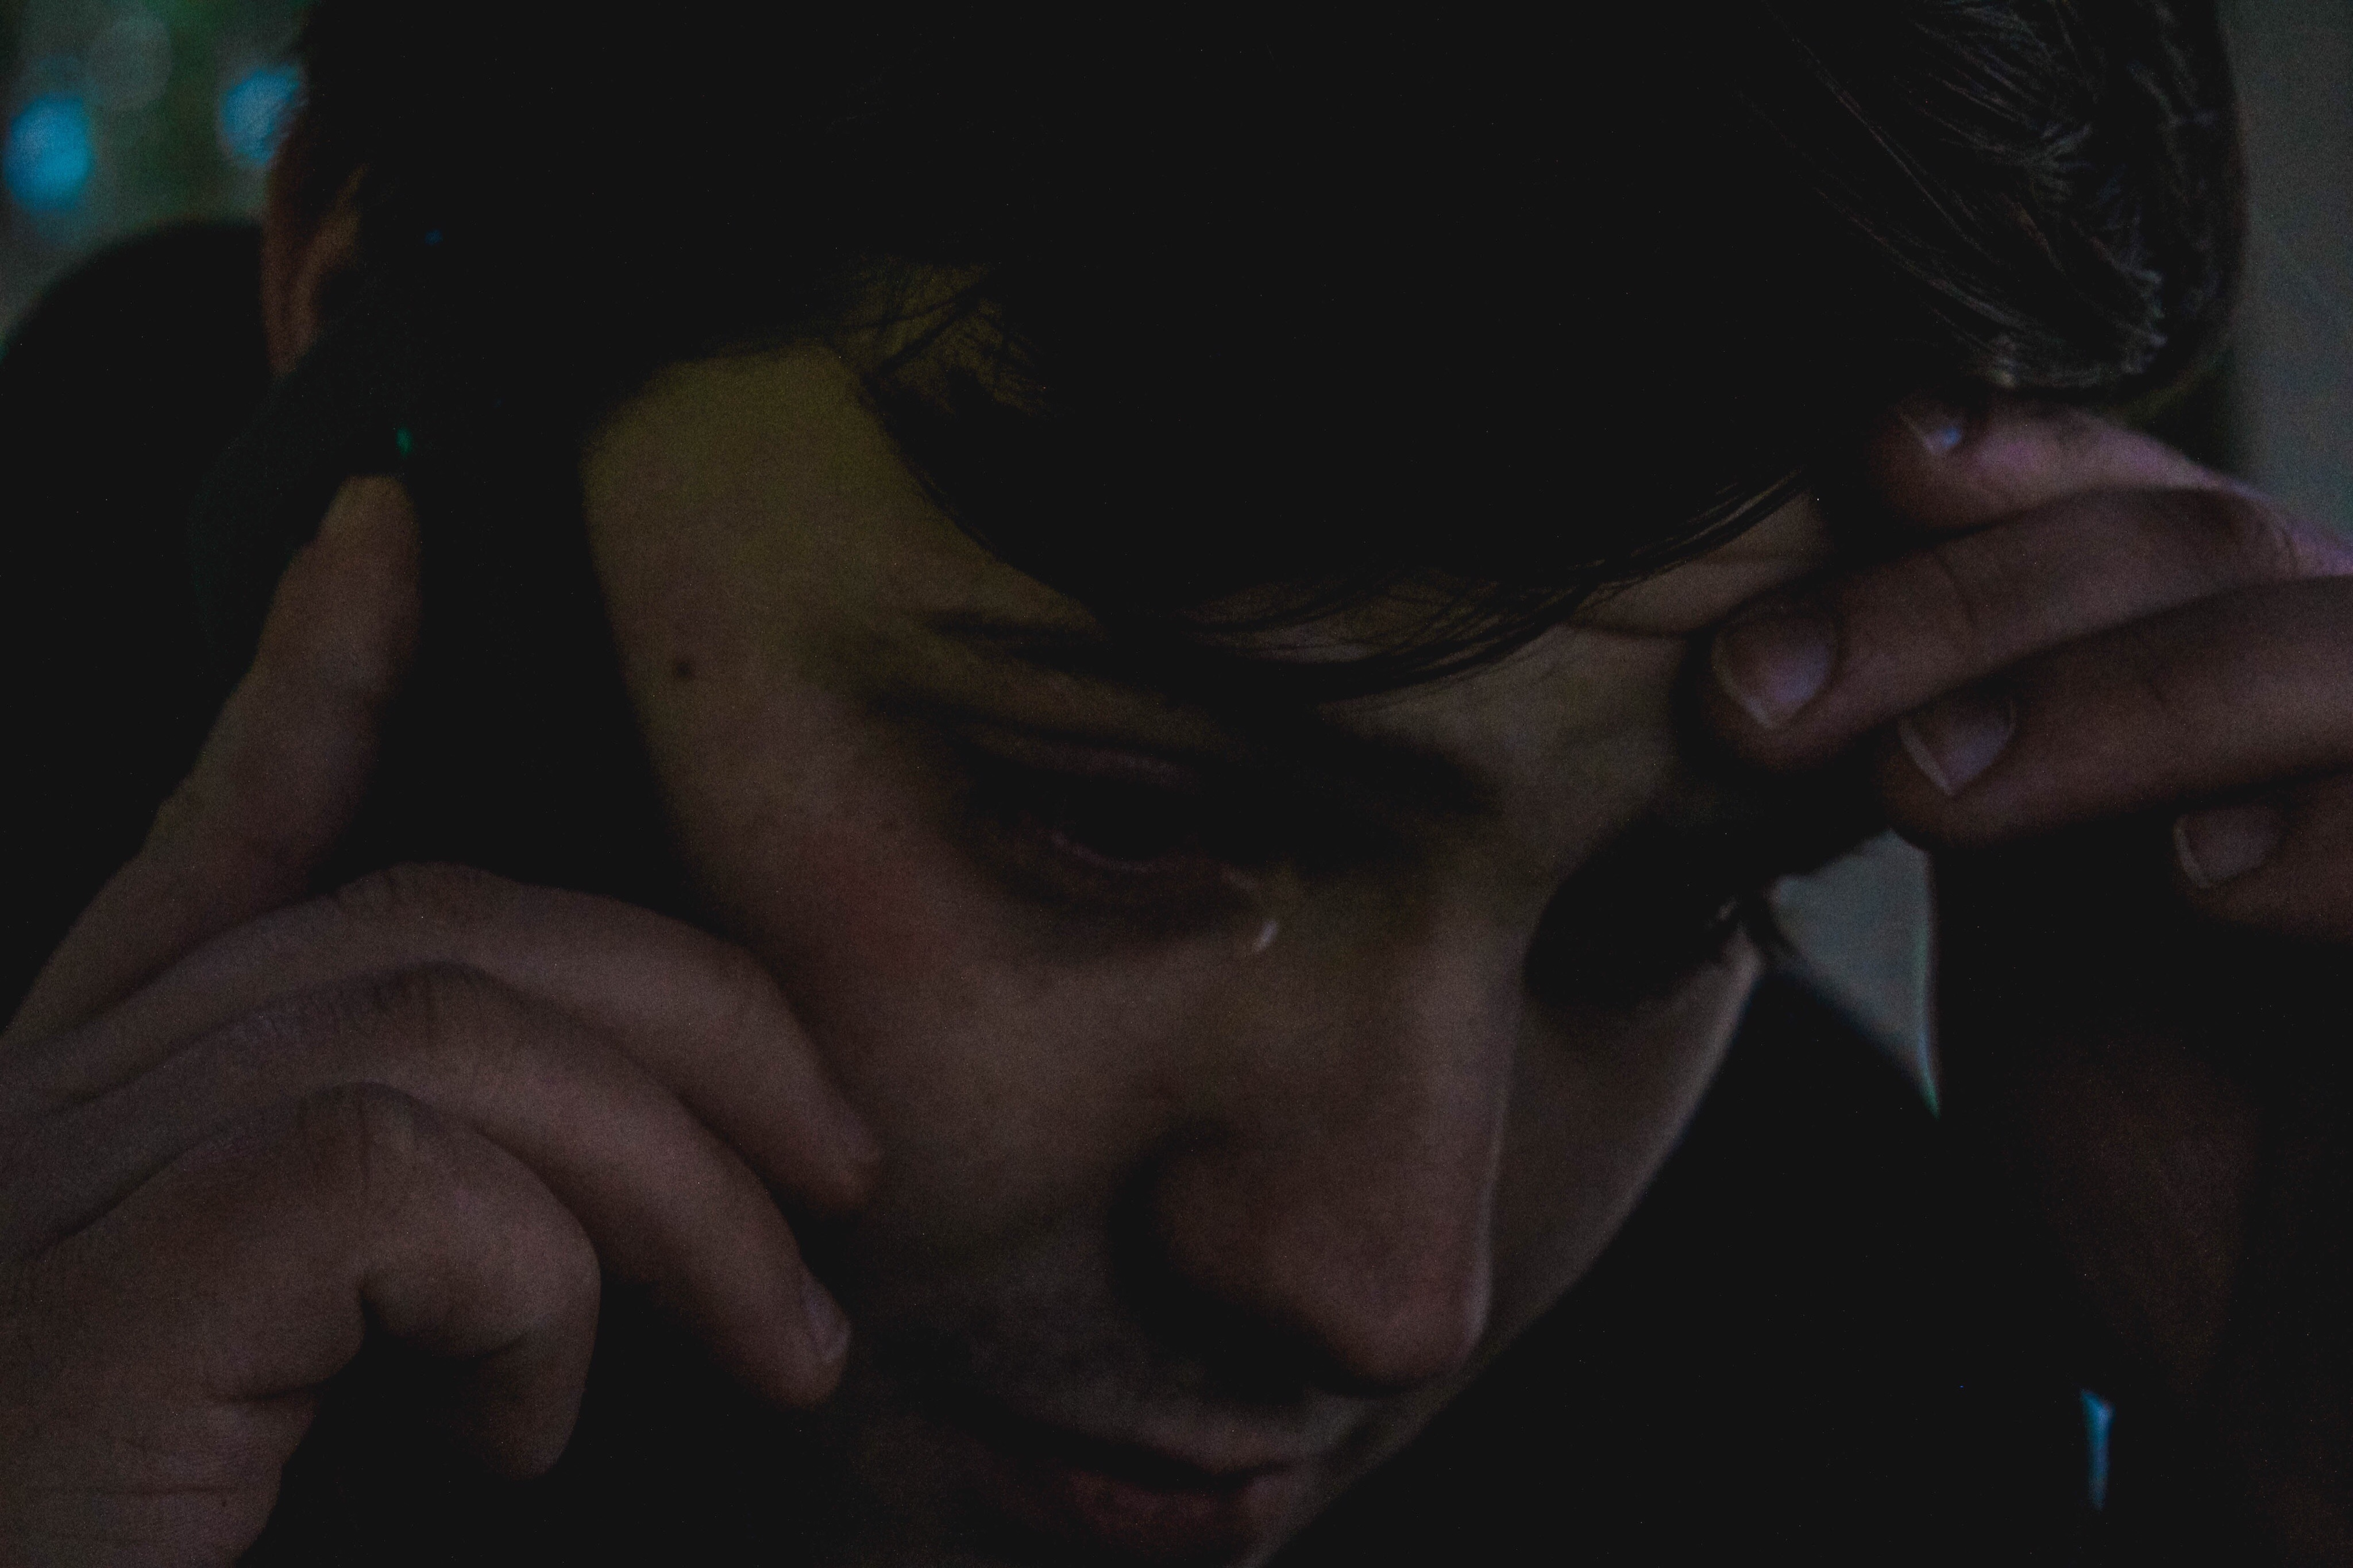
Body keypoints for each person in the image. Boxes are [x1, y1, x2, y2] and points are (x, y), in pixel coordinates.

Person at [0, 1, 2341, 1562]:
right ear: (371, 314)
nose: (1384, 1284)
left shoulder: (1844, 1372)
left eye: (1657, 918)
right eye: (1110, 815)